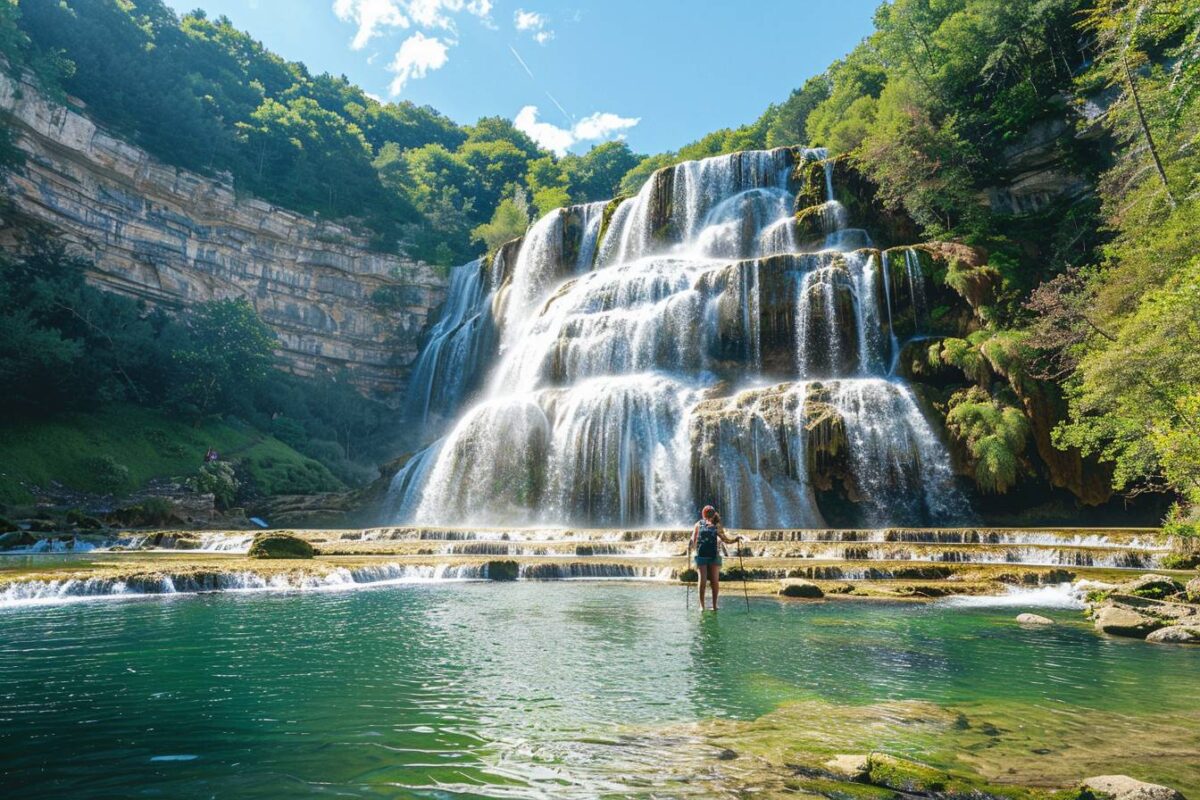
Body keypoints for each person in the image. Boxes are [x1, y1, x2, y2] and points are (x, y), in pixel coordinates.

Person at [691, 505, 742, 612]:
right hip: (713, 555)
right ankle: (713, 606)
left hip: (702, 555)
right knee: (714, 581)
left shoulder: (699, 524)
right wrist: (735, 540)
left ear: (703, 514)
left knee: (704, 581)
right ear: (714, 514)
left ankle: (703, 606)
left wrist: (691, 547)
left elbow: (693, 540)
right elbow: (726, 540)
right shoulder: (715, 525)